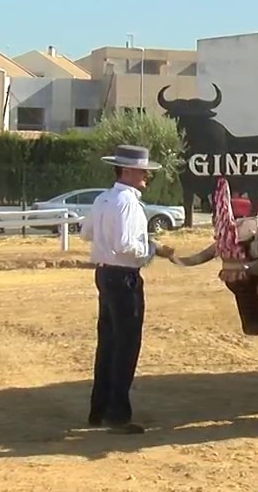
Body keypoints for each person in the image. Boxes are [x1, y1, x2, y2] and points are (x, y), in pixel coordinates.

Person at [80, 144, 172, 434]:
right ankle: (117, 413)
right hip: (124, 277)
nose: (146, 176)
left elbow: (86, 233)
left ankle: (99, 409)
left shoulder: (103, 199)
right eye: (143, 170)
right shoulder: (129, 202)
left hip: (105, 274)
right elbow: (127, 247)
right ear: (129, 171)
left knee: (108, 343)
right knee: (126, 345)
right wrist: (154, 248)